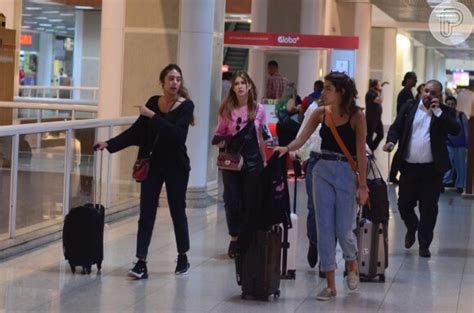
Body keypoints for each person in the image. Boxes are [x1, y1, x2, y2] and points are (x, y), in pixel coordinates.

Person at [94, 64, 195, 278]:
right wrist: (109, 144)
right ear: (163, 82)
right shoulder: (152, 102)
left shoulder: (186, 107)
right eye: (171, 78)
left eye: (178, 79)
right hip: (153, 164)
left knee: (178, 211)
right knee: (146, 213)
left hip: (176, 166)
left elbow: (177, 135)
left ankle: (183, 256)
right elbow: (135, 133)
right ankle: (141, 261)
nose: (175, 82)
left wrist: (152, 116)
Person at [275, 71, 368, 301]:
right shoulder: (320, 113)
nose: (323, 92)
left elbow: (361, 153)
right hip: (322, 170)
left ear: (341, 91)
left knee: (344, 229)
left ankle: (352, 262)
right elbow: (302, 138)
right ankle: (330, 285)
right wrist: (287, 148)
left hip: (346, 171)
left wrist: (363, 185)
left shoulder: (357, 116)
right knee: (324, 228)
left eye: (328, 88)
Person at [383, 80, 460, 258]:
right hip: (409, 168)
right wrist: (390, 141)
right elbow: (396, 127)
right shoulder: (409, 107)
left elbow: (455, 129)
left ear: (439, 96)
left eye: (433, 93)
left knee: (429, 208)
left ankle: (424, 244)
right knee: (403, 204)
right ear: (421, 91)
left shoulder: (444, 112)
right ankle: (412, 227)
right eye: (426, 91)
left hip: (432, 171)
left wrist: (438, 112)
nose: (428, 95)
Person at [212, 71, 267, 259]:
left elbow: (260, 136)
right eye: (237, 83)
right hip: (232, 161)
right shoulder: (226, 109)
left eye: (243, 83)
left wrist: (264, 159)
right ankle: (234, 237)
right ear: (233, 88)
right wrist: (222, 140)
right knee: (232, 200)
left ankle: (246, 239)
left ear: (249, 86)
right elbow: (218, 133)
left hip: (252, 160)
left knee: (250, 200)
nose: (240, 86)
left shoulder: (258, 109)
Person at [291, 97, 323, 272]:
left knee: (331, 211)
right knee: (314, 206)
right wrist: (294, 149)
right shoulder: (314, 108)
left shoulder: (348, 110)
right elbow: (305, 132)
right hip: (315, 159)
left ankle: (327, 260)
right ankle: (314, 241)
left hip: (338, 164)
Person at [443, 96, 469, 194]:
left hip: (460, 144)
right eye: (448, 104)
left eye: (452, 104)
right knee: (447, 163)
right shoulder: (444, 115)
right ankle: (443, 182)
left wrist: (467, 146)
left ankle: (460, 186)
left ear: (455, 104)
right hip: (448, 144)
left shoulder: (461, 115)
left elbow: (466, 132)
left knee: (461, 166)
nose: (450, 106)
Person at [275, 83, 302, 174]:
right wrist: (298, 109)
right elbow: (289, 109)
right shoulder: (291, 99)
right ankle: (297, 171)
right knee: (294, 148)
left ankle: (281, 172)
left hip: (280, 126)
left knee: (282, 150)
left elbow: (276, 112)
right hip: (290, 128)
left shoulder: (281, 100)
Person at [365, 79, 384, 152]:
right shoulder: (370, 94)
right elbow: (380, 101)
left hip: (377, 119)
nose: (380, 87)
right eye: (379, 85)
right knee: (369, 136)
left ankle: (371, 149)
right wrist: (381, 91)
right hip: (371, 119)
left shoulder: (375, 93)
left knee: (381, 134)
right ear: (375, 86)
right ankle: (368, 151)